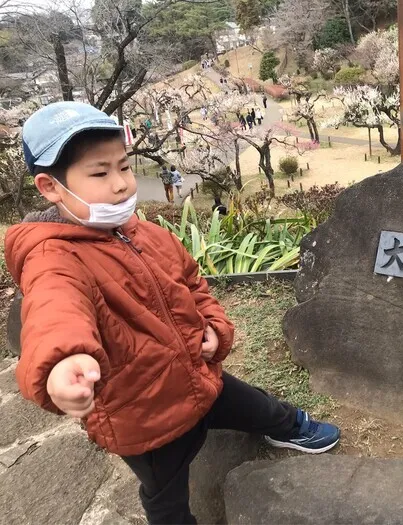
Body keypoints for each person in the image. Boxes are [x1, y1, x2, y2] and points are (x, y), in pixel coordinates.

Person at [6, 101, 341, 525]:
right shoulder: (53, 256)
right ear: (51, 187)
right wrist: (63, 360)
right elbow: (55, 306)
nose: (120, 185)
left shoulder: (145, 233)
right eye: (99, 173)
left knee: (259, 406)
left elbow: (193, 284)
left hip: (197, 375)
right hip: (142, 414)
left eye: (124, 167)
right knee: (166, 494)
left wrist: (216, 328)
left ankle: (292, 426)